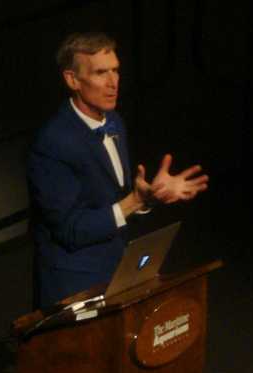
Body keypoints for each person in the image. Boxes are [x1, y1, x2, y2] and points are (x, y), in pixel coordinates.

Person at [27, 32, 208, 309]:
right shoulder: (52, 143)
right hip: (75, 282)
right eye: (101, 73)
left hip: (118, 266)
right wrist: (133, 201)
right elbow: (70, 230)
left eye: (116, 71)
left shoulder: (114, 122)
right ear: (72, 80)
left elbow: (115, 203)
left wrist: (147, 197)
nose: (113, 83)